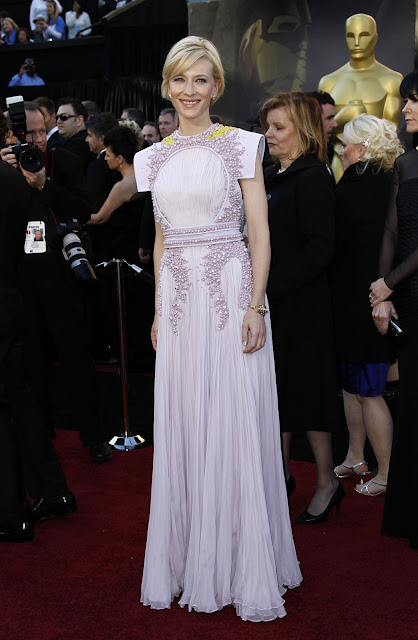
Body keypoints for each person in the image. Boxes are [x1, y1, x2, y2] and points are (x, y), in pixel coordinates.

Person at [134, 35, 301, 622]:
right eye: (180, 79)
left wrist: (256, 306)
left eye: (200, 79)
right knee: (185, 420)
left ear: (217, 86)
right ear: (166, 85)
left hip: (231, 296)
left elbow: (261, 233)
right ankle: (190, 559)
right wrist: (158, 310)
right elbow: (160, 242)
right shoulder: (151, 158)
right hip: (179, 305)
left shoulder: (242, 145)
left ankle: (238, 561)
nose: (190, 91)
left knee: (232, 418)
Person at [0, 102, 112, 465]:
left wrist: (43, 185)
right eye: (27, 133)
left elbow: (84, 209)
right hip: (18, 278)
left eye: (39, 131)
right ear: (12, 135)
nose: (35, 140)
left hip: (59, 275)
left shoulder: (62, 161)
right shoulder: (5, 167)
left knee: (76, 358)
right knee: (30, 363)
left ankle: (94, 436)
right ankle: (41, 434)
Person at [261, 92, 342, 524]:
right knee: (275, 393)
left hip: (304, 305)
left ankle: (327, 482)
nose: (268, 134)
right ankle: (280, 476)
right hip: (274, 304)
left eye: (279, 127)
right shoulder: (272, 175)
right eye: (268, 126)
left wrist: (267, 286)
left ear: (304, 131)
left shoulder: (311, 178)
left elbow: (320, 249)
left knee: (309, 395)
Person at [0, 108, 76, 543]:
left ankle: (14, 513)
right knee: (19, 401)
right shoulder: (15, 181)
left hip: (11, 302)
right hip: (13, 301)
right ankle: (52, 491)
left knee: (8, 408)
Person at [332, 114, 402, 497]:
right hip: (362, 299)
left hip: (369, 301)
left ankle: (386, 473)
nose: (342, 151)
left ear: (361, 148)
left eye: (346, 145)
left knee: (367, 389)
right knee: (352, 385)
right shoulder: (385, 180)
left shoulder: (360, 185)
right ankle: (356, 456)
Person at [370, 71, 418, 548]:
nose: (406, 108)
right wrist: (382, 290)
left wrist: (388, 282)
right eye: (406, 100)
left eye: (415, 100)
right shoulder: (405, 163)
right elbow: (390, 230)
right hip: (406, 295)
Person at [318, 13, 403, 181]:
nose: (356, 43)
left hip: (376, 165)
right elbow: (319, 132)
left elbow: (391, 132)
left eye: (364, 35)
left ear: (374, 38)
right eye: (351, 36)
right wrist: (345, 116)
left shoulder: (391, 80)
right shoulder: (328, 82)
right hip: (338, 161)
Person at [57, 98, 95, 172]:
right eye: (57, 117)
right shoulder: (75, 141)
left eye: (63, 117)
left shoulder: (78, 144)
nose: (58, 121)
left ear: (79, 120)